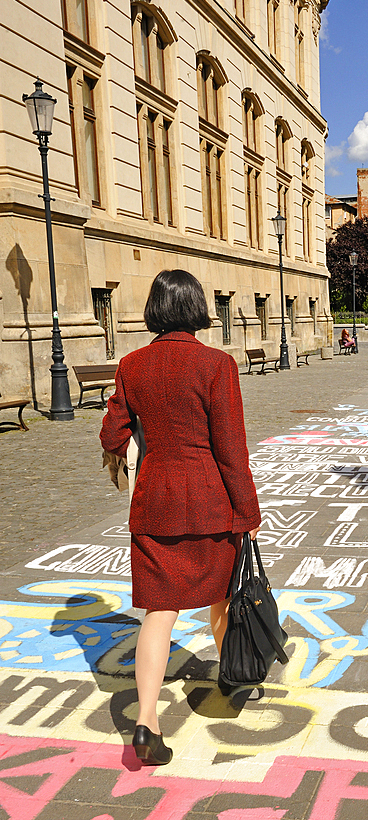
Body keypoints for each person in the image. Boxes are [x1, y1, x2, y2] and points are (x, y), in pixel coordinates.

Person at [100, 269, 261, 767]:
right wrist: (247, 509)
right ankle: (232, 676)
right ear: (196, 308)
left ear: (154, 310)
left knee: (158, 612)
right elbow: (230, 447)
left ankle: (146, 720)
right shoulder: (216, 364)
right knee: (220, 596)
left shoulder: (132, 364)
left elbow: (111, 432)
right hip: (210, 501)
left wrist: (120, 455)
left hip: (155, 502)